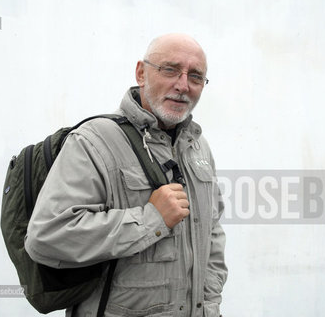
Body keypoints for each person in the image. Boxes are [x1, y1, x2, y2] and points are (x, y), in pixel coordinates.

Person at [25, 33, 228, 317]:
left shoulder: (197, 146)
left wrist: (210, 304)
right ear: (141, 73)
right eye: (170, 70)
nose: (183, 86)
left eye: (195, 77)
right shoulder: (94, 141)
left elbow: (212, 233)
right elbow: (47, 236)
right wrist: (152, 219)